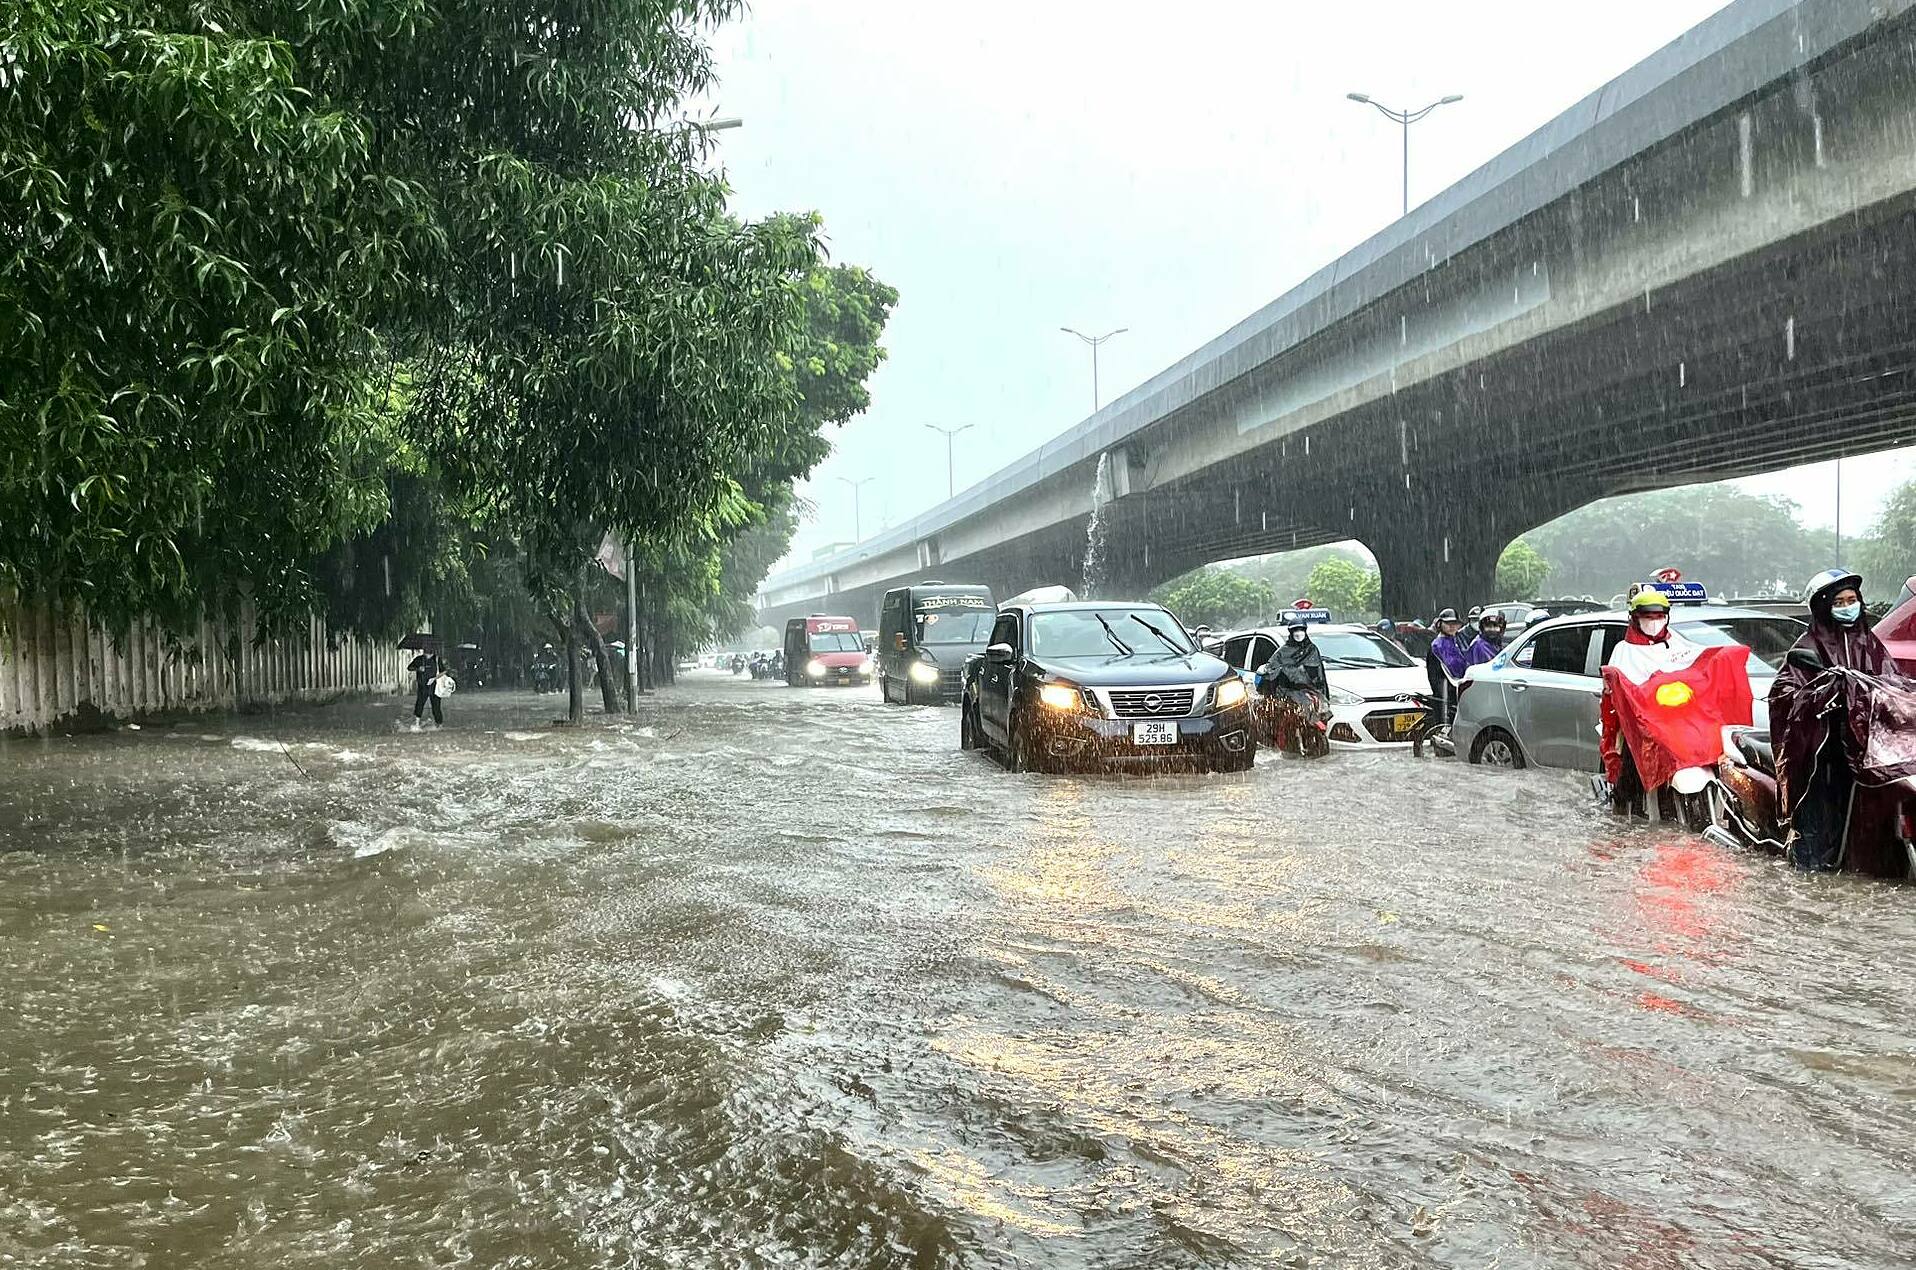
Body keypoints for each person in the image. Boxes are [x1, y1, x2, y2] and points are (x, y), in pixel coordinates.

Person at [1771, 569, 1897, 870]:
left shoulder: (1871, 643)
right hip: (1823, 753)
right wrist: (1823, 693)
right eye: (1839, 602)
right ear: (1823, 606)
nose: (1847, 606)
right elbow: (1783, 693)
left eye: (1852, 600)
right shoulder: (1806, 647)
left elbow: (1891, 681)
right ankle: (1808, 871)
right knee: (1817, 829)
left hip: (1865, 748)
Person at [1599, 589, 1695, 816]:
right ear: (1635, 618)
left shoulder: (1677, 647)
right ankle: (1622, 810)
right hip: (1638, 727)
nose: (1654, 623)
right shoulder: (1623, 651)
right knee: (1631, 773)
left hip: (1673, 724)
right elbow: (1613, 688)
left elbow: (1695, 673)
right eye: (1648, 617)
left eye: (1659, 617)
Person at [1425, 608, 1469, 721]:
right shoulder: (1436, 646)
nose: (1452, 626)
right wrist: (1443, 695)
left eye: (1455, 623)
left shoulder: (1458, 640)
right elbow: (1434, 676)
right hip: (1446, 691)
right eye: (1448, 623)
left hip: (1459, 688)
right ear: (1440, 624)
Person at [409, 648, 446, 730]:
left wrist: (434, 678)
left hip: (435, 686)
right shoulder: (419, 659)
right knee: (420, 704)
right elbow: (410, 667)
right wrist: (418, 668)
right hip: (422, 686)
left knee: (436, 706)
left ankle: (439, 724)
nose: (427, 652)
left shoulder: (436, 659)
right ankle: (417, 724)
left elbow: (443, 672)